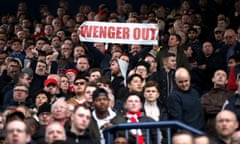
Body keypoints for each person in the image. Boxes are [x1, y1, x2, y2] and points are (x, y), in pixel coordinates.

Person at [201, 69, 234, 136]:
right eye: (218, 74)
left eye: (223, 75)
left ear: (226, 81)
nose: (220, 77)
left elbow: (233, 110)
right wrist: (224, 107)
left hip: (229, 132)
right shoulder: (205, 96)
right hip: (211, 132)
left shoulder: (232, 95)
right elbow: (206, 110)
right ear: (213, 79)